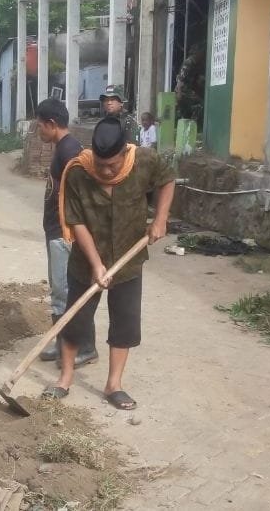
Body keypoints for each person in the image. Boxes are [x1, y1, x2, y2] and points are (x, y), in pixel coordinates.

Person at [41, 117, 176, 411]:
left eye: (112, 165)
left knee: (125, 322)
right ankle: (65, 378)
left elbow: (167, 180)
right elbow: (76, 222)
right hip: (85, 261)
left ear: (125, 154)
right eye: (100, 165)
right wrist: (96, 264)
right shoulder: (78, 172)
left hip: (128, 260)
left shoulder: (144, 161)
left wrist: (161, 218)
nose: (105, 171)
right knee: (75, 321)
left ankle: (114, 385)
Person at [33, 99, 98, 367]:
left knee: (65, 291)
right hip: (56, 230)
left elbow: (81, 195)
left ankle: (83, 347)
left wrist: (68, 231)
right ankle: (62, 344)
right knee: (59, 290)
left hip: (63, 233)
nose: (38, 131)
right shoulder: (62, 148)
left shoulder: (70, 151)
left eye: (40, 126)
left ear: (51, 124)